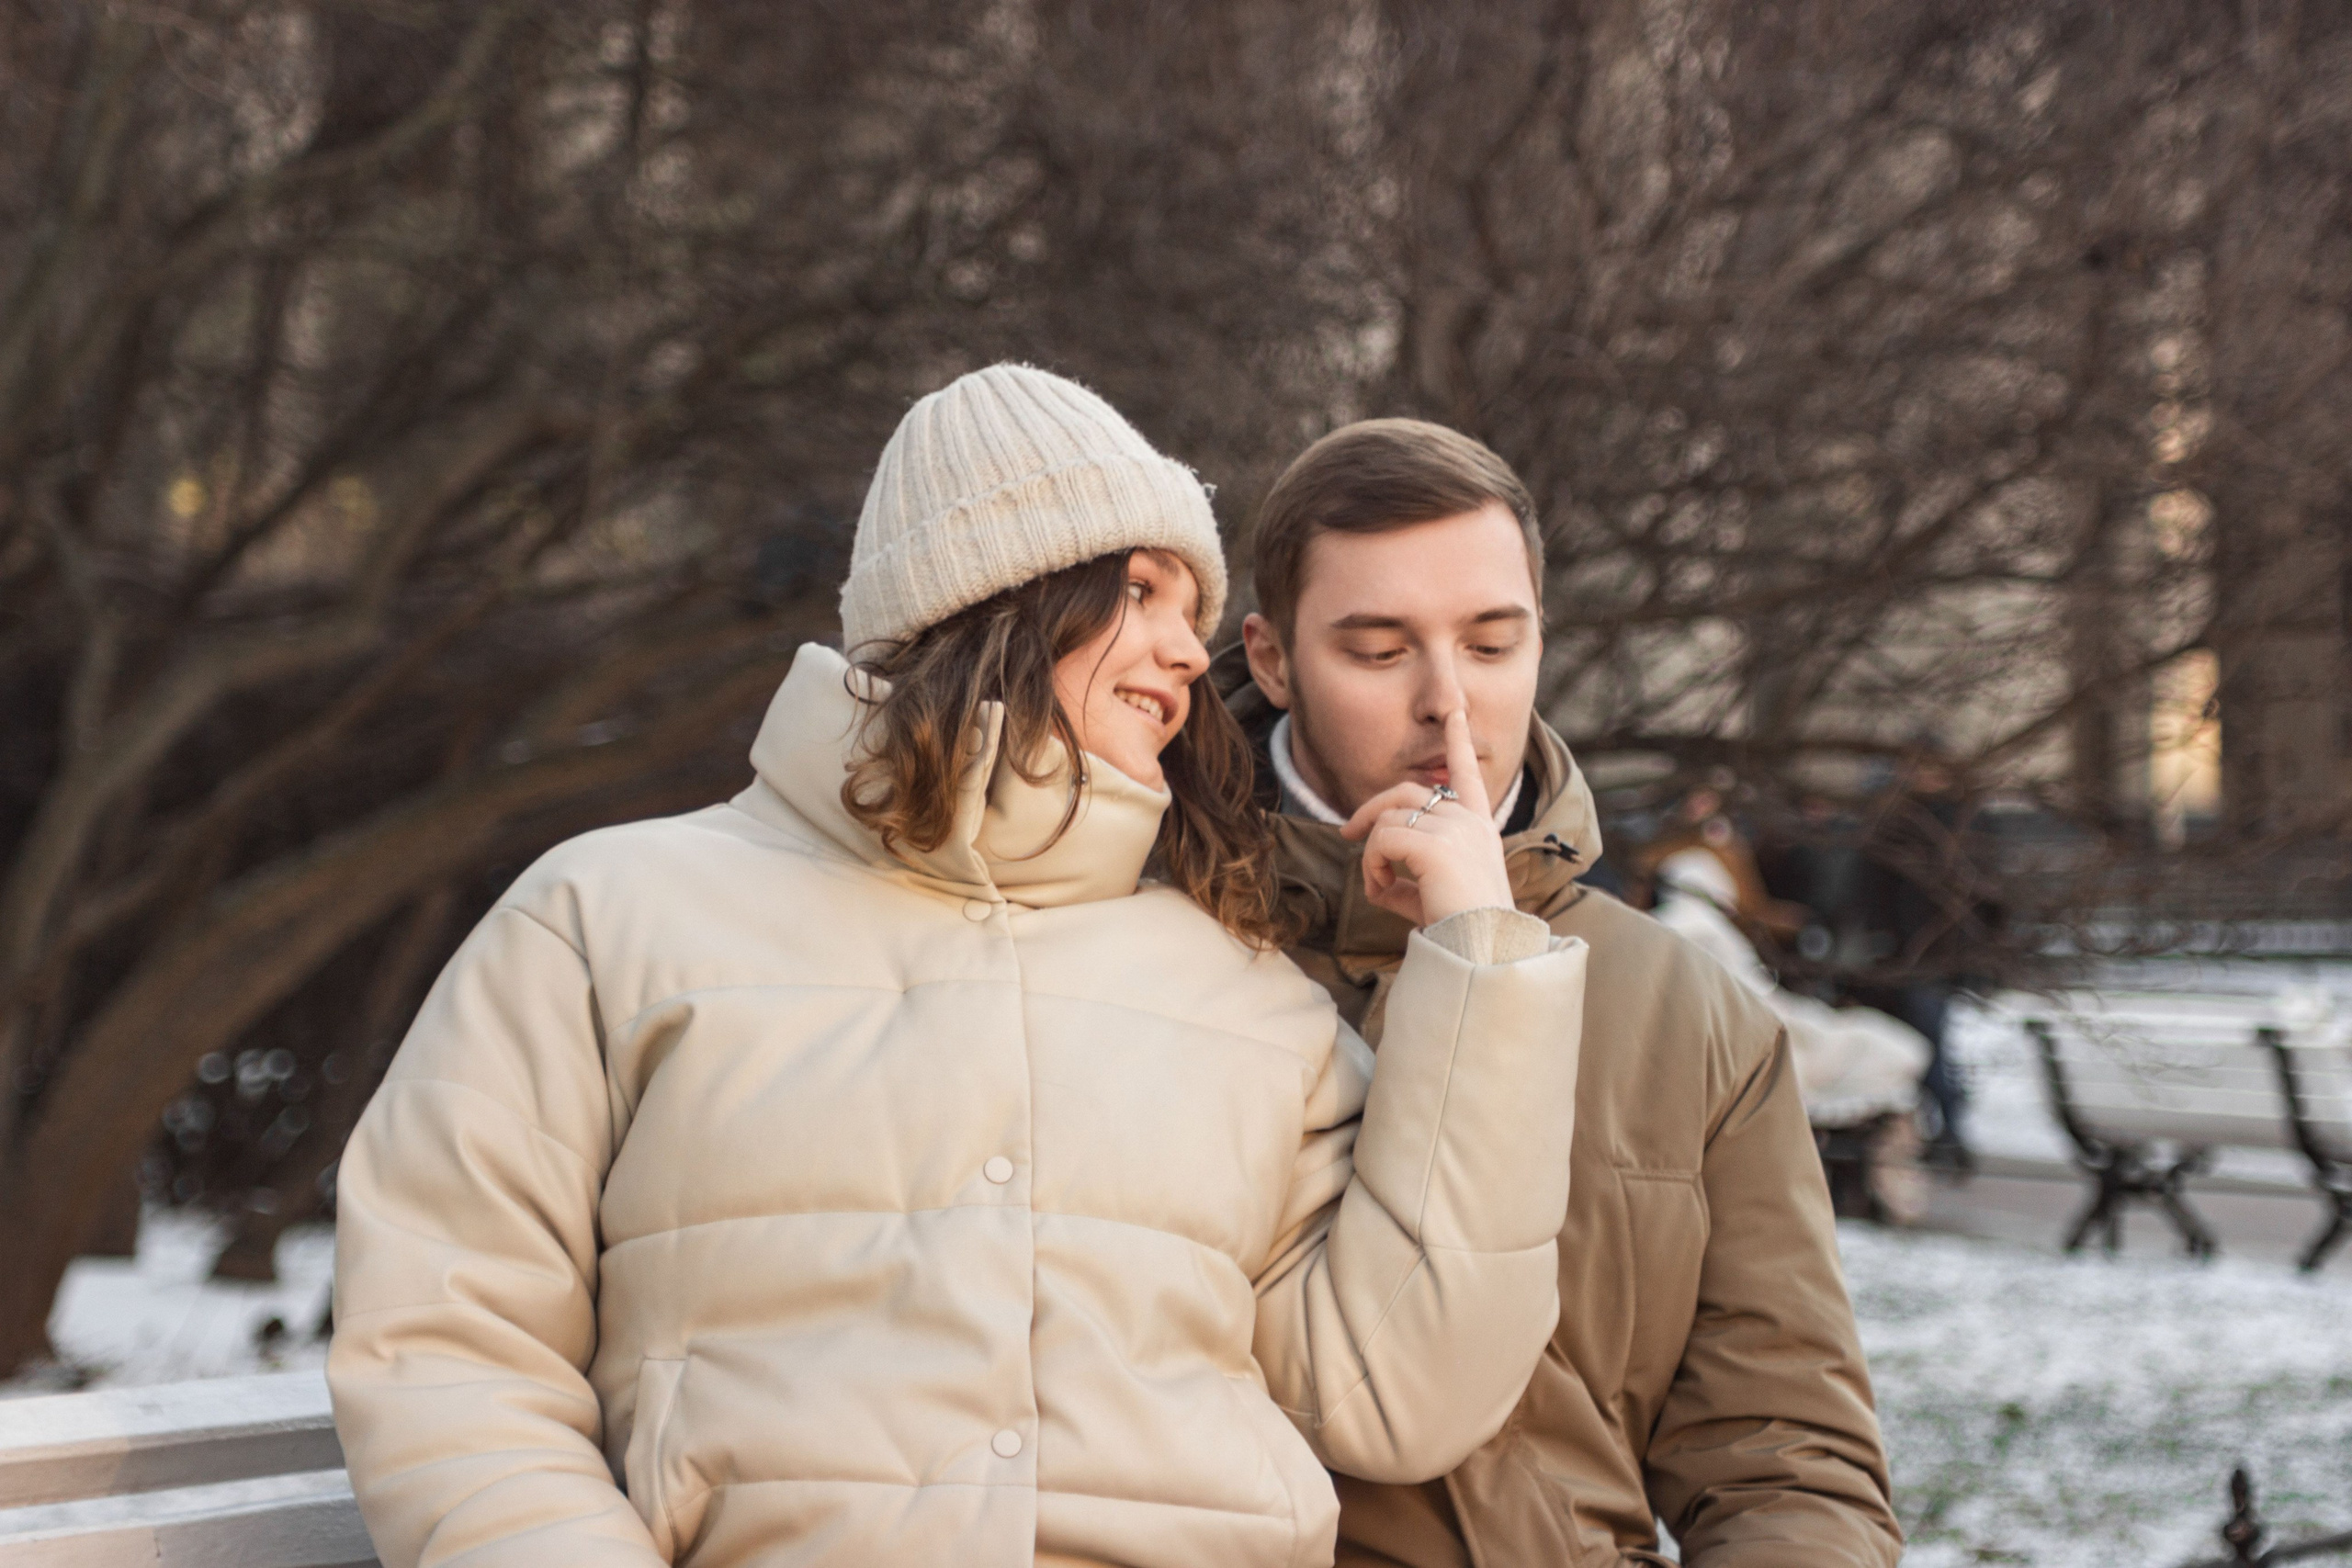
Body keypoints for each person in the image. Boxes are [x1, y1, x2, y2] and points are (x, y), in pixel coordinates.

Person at [326, 366, 1589, 1568]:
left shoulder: (1246, 995)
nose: (1183, 653)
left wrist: (1479, 954)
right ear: (1003, 595)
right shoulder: (606, 917)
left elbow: (1402, 1391)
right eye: (1140, 592)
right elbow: (453, 1346)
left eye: (1191, 612)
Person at [1221, 418, 1904, 1567]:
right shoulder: (1143, 955)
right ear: (1274, 657)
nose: (1448, 706)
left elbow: (1783, 1461)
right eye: (1379, 651)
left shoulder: (1688, 1011)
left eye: (1491, 645)